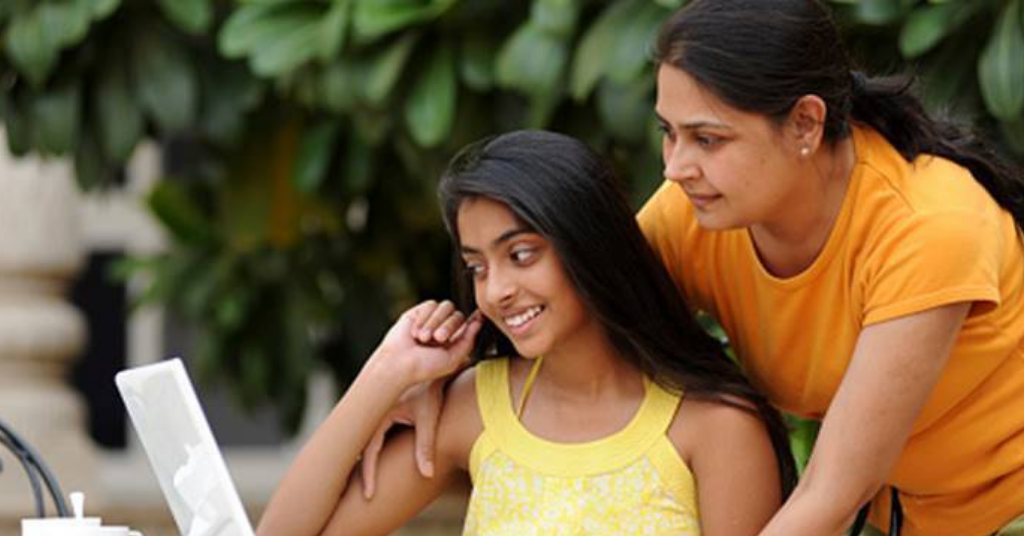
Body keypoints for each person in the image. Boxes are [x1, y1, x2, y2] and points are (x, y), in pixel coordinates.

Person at [362, 2, 1024, 535]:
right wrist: (435, 374)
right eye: (668, 133)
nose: (676, 167)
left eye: (708, 139)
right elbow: (580, 309)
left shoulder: (926, 227)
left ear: (805, 124)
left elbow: (830, 490)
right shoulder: (699, 212)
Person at [256, 130, 796, 536]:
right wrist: (384, 376)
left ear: (588, 245)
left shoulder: (716, 426)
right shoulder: (475, 407)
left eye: (520, 255)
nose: (497, 291)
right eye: (478, 267)